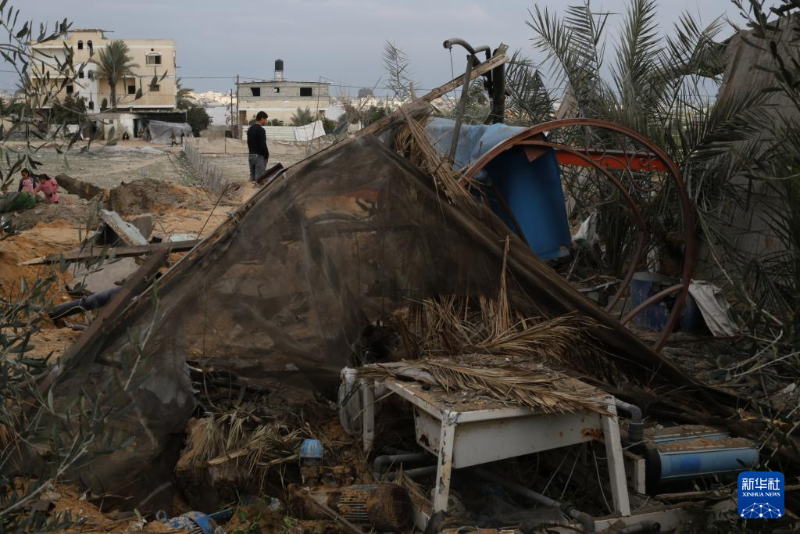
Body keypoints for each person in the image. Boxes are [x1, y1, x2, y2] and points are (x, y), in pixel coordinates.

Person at [247, 111, 270, 182]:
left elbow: (249, 143)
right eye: (265, 119)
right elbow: (263, 144)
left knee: (252, 179)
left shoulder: (250, 129)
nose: (266, 121)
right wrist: (266, 156)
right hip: (259, 157)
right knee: (260, 180)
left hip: (251, 156)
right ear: (262, 119)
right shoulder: (261, 130)